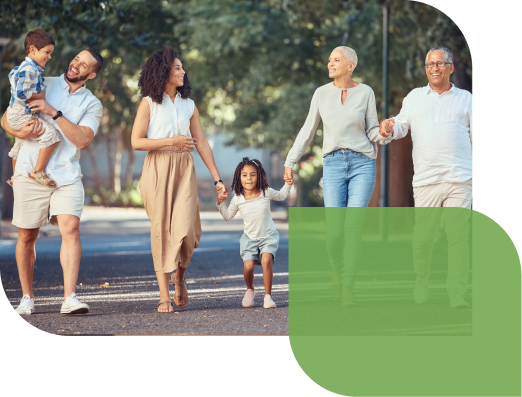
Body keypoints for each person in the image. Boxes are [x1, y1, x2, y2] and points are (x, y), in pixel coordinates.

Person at [283, 46, 391, 307]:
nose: (330, 63)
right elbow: (308, 130)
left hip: (362, 163)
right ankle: (337, 270)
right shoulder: (321, 94)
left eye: (336, 60)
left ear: (350, 65)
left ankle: (348, 286)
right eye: (330, 60)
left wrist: (386, 133)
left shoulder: (365, 92)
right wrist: (290, 160)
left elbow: (373, 131)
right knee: (334, 231)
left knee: (352, 229)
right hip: (332, 164)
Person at [1, 49, 104, 314]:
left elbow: (82, 139)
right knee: (26, 236)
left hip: (66, 175)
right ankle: (27, 298)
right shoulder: (41, 82)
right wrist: (17, 130)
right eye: (76, 59)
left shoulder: (92, 104)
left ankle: (70, 297)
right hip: (29, 170)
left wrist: (53, 112)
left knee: (70, 229)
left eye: (83, 65)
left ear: (90, 75)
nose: (75, 64)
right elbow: (6, 117)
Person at [131, 46, 227, 313]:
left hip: (185, 168)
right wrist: (172, 140)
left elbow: (203, 143)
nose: (183, 71)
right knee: (161, 230)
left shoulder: (189, 105)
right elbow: (136, 141)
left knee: (188, 232)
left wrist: (218, 180)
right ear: (164, 72)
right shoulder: (149, 103)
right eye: (177, 67)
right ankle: (163, 296)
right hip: (158, 167)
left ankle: (179, 278)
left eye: (183, 67)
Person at [379, 46, 472, 308]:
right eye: (430, 64)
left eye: (440, 64)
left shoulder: (466, 99)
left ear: (451, 68)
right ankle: (422, 278)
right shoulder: (415, 98)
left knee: (458, 237)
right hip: (426, 181)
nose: (434, 68)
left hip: (459, 179)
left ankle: (457, 293)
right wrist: (389, 126)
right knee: (423, 239)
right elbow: (400, 125)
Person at [217, 157, 294, 309]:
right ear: (239, 178)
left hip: (268, 236)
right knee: (249, 267)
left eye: (252, 174)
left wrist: (288, 184)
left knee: (266, 261)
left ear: (259, 176)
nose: (249, 178)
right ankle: (250, 289)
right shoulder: (238, 199)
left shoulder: (266, 192)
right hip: (249, 238)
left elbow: (281, 195)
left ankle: (268, 296)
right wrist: (220, 202)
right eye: (244, 175)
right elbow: (227, 216)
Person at [7, 29, 61, 187]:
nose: (49, 56)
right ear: (32, 50)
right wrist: (41, 97)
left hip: (18, 114)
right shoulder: (29, 69)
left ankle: (15, 177)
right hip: (21, 115)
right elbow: (21, 92)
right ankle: (38, 171)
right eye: (47, 52)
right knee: (52, 135)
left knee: (19, 143)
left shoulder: (31, 68)